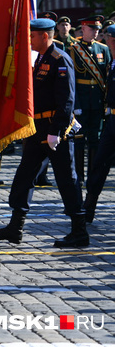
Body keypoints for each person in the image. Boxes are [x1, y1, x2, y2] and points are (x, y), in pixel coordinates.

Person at [0, 18, 88, 248]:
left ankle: (79, 231)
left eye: (33, 36)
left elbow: (66, 101)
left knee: (67, 179)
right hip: (37, 129)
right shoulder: (40, 59)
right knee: (24, 175)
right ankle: (16, 227)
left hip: (55, 129)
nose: (29, 39)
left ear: (44, 36)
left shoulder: (60, 59)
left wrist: (55, 132)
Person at [69, 15, 111, 181]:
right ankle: (78, 175)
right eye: (92, 29)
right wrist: (75, 103)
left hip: (97, 101)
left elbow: (107, 76)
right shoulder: (73, 49)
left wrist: (106, 101)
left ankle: (92, 175)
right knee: (79, 139)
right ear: (83, 29)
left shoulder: (103, 49)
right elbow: (71, 80)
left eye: (97, 29)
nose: (95, 32)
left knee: (95, 139)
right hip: (81, 100)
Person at [83, 24, 115, 222]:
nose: (104, 38)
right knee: (99, 163)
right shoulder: (112, 61)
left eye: (107, 36)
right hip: (111, 119)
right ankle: (88, 208)